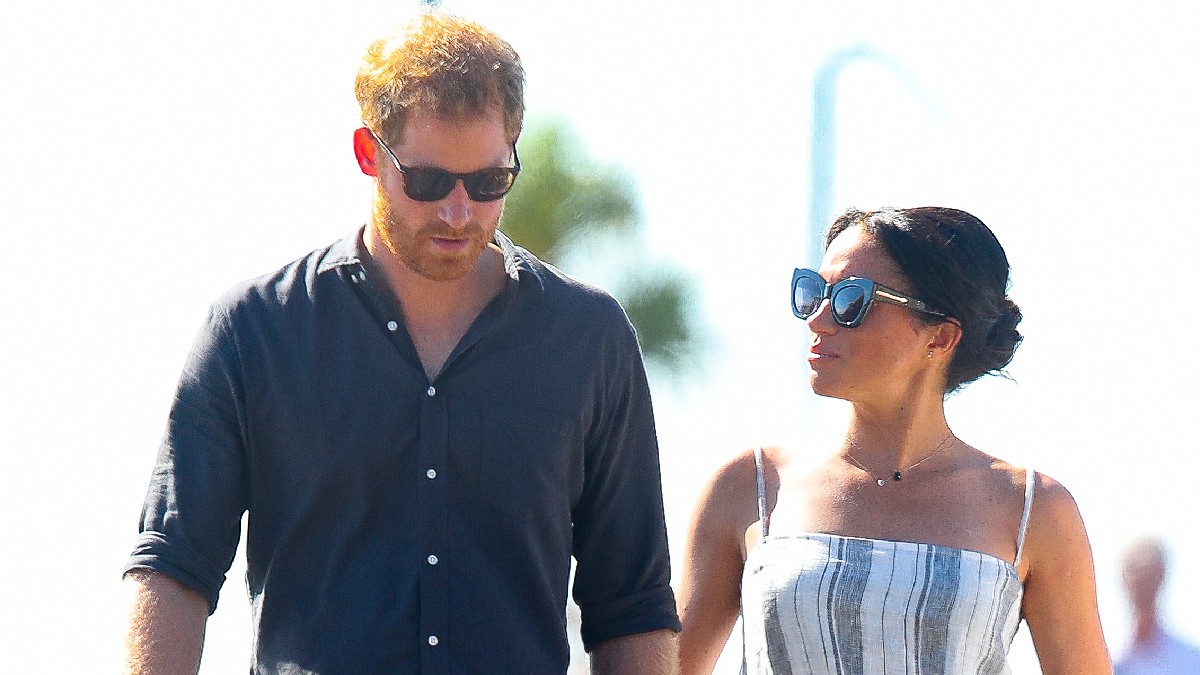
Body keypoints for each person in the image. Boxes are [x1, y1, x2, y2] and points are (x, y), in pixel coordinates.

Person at [122, 11, 680, 674]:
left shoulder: (590, 340)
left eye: (487, 183)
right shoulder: (253, 330)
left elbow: (632, 604)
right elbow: (172, 563)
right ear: (368, 153)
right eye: (428, 181)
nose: (458, 211)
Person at [677, 207, 1111, 674]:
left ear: (941, 338)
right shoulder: (752, 485)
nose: (818, 320)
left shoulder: (1033, 508)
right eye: (812, 293)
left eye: (851, 301)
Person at [1114, 537, 1200, 674]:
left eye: (1148, 574)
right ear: (1123, 578)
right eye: (1133, 570)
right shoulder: (1110, 658)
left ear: (1161, 576)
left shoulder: (1192, 660)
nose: (1139, 580)